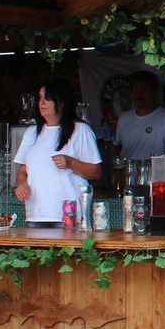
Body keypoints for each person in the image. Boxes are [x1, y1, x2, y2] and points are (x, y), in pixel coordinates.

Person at [14, 78, 103, 225]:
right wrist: (21, 185)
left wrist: (71, 162)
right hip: (36, 214)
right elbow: (22, 171)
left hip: (68, 214)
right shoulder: (32, 132)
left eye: (47, 99)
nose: (42, 103)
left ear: (61, 102)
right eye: (40, 98)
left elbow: (96, 172)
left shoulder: (80, 130)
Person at [114, 70, 165, 161]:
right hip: (127, 171)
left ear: (154, 91)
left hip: (154, 172)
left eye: (144, 89)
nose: (139, 94)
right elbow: (116, 148)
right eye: (135, 89)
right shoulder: (124, 118)